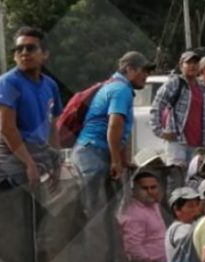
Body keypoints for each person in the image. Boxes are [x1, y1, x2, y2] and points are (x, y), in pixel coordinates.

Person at [74, 51, 154, 212]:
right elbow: (114, 126)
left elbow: (120, 133)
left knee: (107, 209)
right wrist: (117, 162)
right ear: (130, 69)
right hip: (93, 152)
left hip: (95, 151)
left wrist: (122, 161)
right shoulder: (121, 90)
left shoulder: (117, 86)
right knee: (94, 211)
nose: (146, 75)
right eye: (143, 70)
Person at [0, 27, 62, 190]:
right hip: (9, 165)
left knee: (35, 213)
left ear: (45, 54)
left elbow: (52, 128)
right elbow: (6, 128)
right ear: (14, 56)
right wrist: (29, 163)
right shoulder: (9, 83)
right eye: (19, 49)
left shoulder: (50, 85)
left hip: (36, 161)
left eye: (31, 48)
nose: (24, 53)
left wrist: (56, 162)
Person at [151, 51, 205, 190]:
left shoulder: (202, 87)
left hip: (196, 142)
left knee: (191, 182)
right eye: (189, 63)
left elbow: (202, 115)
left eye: (195, 63)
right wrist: (160, 131)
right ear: (181, 66)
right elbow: (157, 105)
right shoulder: (175, 83)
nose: (192, 66)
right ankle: (171, 210)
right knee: (175, 181)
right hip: (178, 140)